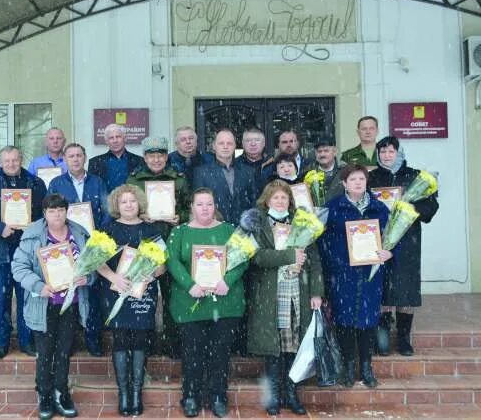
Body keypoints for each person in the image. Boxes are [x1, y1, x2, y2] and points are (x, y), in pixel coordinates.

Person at [240, 180, 324, 415]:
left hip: (298, 292)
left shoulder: (303, 224)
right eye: (275, 198)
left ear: (290, 201)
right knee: (273, 348)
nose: (280, 201)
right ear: (267, 201)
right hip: (270, 293)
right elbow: (255, 257)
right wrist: (288, 256)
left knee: (293, 346)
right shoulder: (258, 225)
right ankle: (274, 395)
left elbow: (315, 261)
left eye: (284, 198)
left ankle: (291, 392)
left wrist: (317, 292)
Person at [166, 188, 248, 418]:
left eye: (209, 204)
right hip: (190, 303)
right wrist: (189, 284)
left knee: (220, 354)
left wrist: (227, 280)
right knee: (192, 354)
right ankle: (191, 396)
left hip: (224, 303)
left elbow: (242, 260)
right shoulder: (179, 232)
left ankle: (218, 396)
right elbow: (171, 261)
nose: (205, 209)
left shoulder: (229, 230)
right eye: (200, 204)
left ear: (215, 206)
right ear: (191, 207)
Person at [12, 194, 92, 419]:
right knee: (45, 352)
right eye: (51, 211)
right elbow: (19, 267)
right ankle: (45, 394)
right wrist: (39, 286)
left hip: (71, 303)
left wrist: (88, 278)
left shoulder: (79, 233)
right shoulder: (33, 236)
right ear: (44, 214)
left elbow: (92, 266)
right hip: (44, 303)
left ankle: (61, 392)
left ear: (67, 212)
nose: (57, 215)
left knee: (64, 350)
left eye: (60, 210)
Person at [317, 164, 393, 388]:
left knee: (368, 321)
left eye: (361, 179)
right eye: (353, 180)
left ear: (367, 182)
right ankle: (349, 365)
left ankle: (367, 366)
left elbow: (392, 236)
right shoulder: (333, 208)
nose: (358, 183)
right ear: (344, 183)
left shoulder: (379, 208)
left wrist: (389, 252)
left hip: (371, 273)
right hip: (342, 274)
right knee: (345, 321)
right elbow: (322, 241)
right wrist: (333, 262)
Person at [0, 146, 47, 359]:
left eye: (15, 160)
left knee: (26, 296)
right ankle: (2, 342)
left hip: (27, 249)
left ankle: (27, 341)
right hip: (0, 248)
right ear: (0, 161)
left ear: (21, 159)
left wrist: (33, 227)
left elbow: (45, 212)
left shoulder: (34, 182)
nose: (11, 164)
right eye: (7, 160)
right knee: (1, 297)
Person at [97, 185, 165, 416]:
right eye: (124, 202)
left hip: (143, 293)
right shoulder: (106, 229)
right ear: (117, 205)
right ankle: (123, 393)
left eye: (133, 201)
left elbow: (162, 265)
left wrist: (152, 273)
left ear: (139, 204)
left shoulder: (152, 230)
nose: (129, 205)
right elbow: (96, 262)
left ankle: (137, 392)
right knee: (120, 338)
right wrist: (114, 276)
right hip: (116, 290)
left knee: (140, 338)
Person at [368, 136, 439, 356]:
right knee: (381, 288)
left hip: (407, 242)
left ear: (399, 153)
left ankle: (404, 338)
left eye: (391, 151)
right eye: (383, 152)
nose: (387, 156)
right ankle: (382, 337)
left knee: (405, 289)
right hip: (379, 240)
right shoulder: (371, 178)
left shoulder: (415, 176)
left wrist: (408, 210)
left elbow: (431, 206)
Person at [126, 136, 190, 358]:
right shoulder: (134, 180)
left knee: (174, 294)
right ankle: (147, 343)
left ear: (166, 156)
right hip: (145, 243)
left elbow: (189, 208)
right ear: (145, 157)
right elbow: (125, 207)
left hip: (173, 243)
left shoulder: (179, 179)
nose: (156, 160)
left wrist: (178, 217)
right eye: (151, 155)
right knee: (146, 295)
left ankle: (174, 343)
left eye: (160, 155)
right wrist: (140, 214)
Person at [48, 142, 111, 357]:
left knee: (92, 292)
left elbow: (107, 210)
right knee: (70, 290)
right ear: (64, 160)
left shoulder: (97, 182)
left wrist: (99, 235)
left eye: (78, 155)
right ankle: (71, 339)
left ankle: (93, 338)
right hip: (66, 243)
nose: (75, 159)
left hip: (92, 244)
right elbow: (50, 210)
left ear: (85, 158)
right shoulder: (57, 183)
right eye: (71, 156)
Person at [192, 129, 256, 226]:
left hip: (242, 231)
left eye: (229, 143)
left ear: (235, 146)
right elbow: (198, 204)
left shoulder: (248, 171)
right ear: (214, 146)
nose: (225, 147)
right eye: (221, 143)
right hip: (214, 229)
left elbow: (253, 202)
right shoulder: (201, 172)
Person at [88, 123, 144, 193]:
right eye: (111, 138)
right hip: (105, 203)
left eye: (118, 137)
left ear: (125, 138)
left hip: (130, 202)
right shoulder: (95, 162)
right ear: (106, 141)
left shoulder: (139, 161)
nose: (115, 141)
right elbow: (92, 189)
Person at [302, 138, 345, 203]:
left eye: (326, 151)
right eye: (319, 151)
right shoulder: (306, 172)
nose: (322, 154)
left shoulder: (345, 172)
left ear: (335, 152)